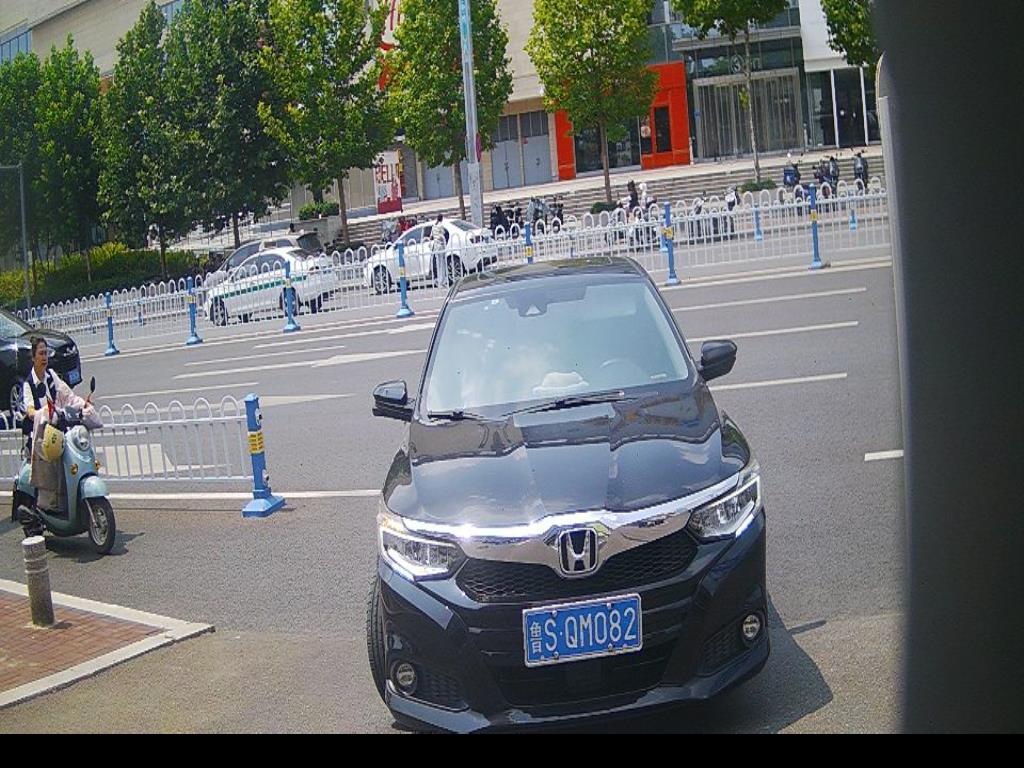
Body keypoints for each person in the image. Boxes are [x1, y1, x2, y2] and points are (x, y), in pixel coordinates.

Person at [21, 336, 95, 517]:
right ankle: (50, 503)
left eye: (46, 353)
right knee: (52, 457)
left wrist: (83, 405)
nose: (44, 357)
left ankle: (69, 500)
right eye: (41, 353)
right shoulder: (28, 384)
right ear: (33, 357)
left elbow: (68, 396)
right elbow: (29, 410)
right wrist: (40, 413)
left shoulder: (51, 376)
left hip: (57, 429)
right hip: (39, 434)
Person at [430, 215, 448, 285]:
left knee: (438, 263)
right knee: (442, 263)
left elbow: (431, 236)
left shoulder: (434, 226)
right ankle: (442, 280)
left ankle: (439, 279)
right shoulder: (441, 226)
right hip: (441, 245)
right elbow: (443, 234)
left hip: (435, 246)